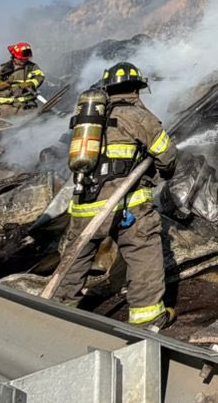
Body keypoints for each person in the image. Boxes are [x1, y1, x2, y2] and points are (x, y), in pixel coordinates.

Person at [52, 61, 178, 328]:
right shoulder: (138, 116)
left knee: (76, 257)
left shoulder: (89, 120)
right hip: (126, 204)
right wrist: (162, 173)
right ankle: (147, 315)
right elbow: (167, 156)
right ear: (137, 89)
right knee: (143, 250)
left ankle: (59, 308)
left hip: (84, 202)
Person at [0, 42, 46, 114]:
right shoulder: (3, 68)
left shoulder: (32, 67)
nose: (24, 61)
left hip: (26, 103)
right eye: (21, 59)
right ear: (14, 57)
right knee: (7, 116)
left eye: (26, 59)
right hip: (5, 104)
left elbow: (40, 76)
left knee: (34, 116)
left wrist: (31, 83)